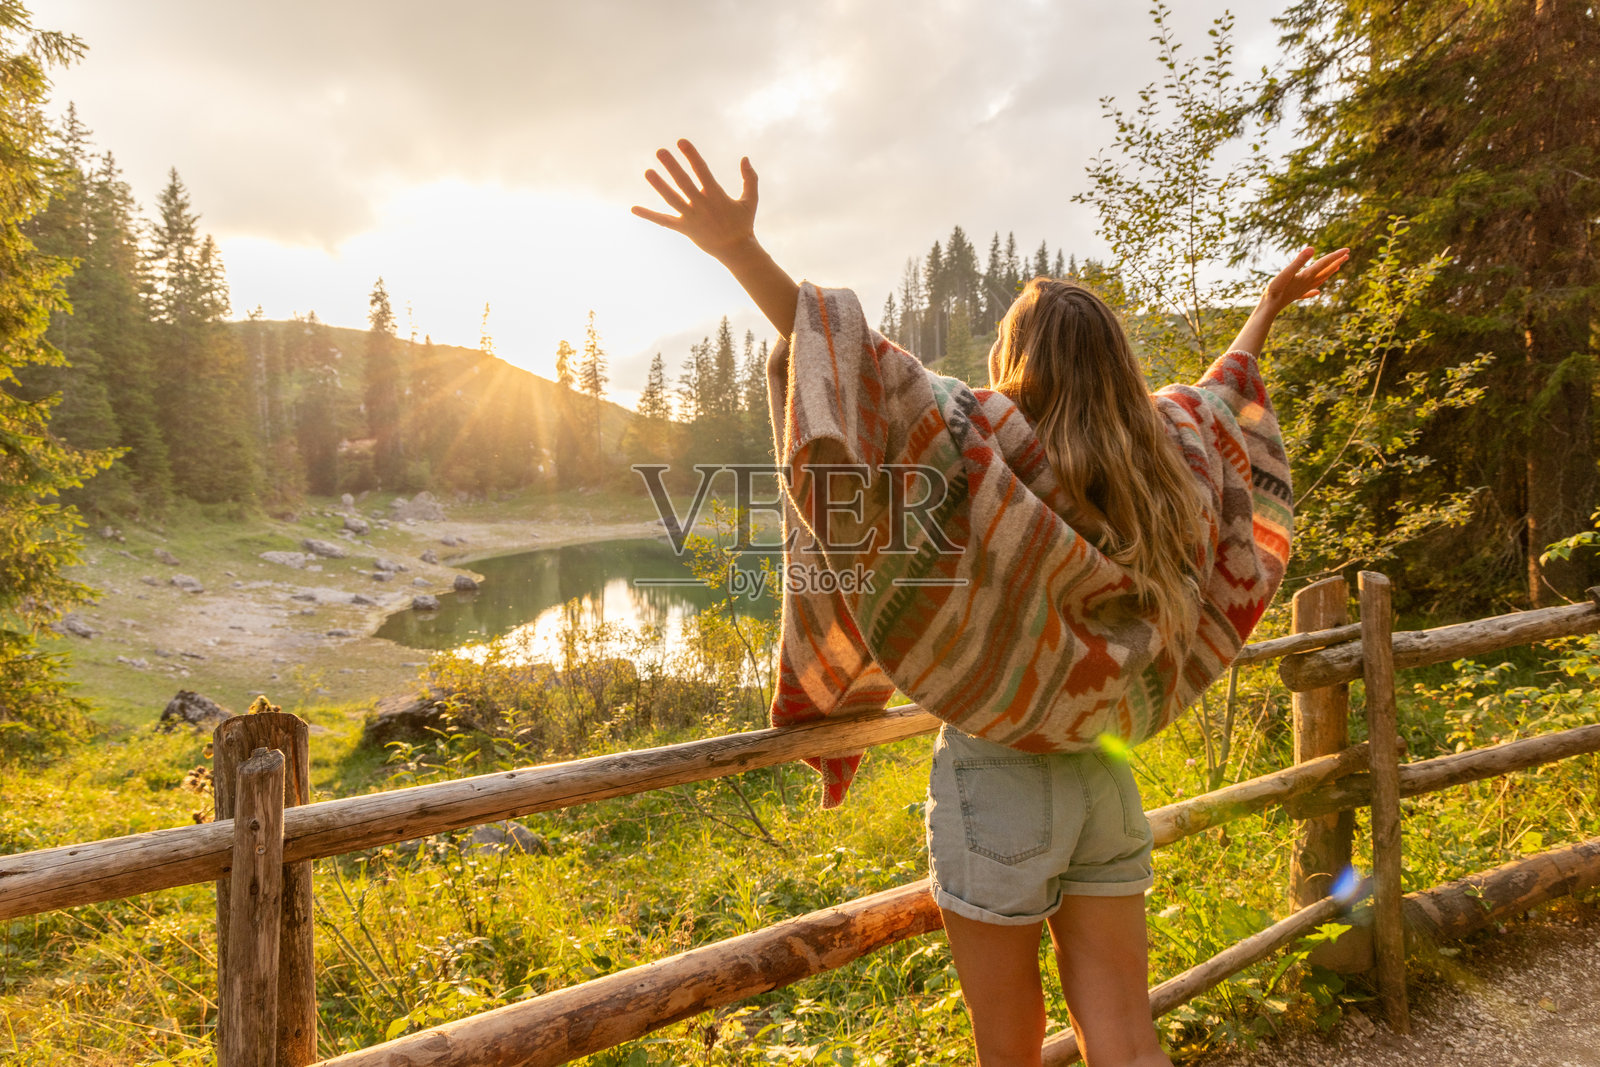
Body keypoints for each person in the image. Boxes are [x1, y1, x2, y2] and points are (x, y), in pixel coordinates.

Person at [634, 138, 1347, 1067]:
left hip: (997, 781)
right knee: (1127, 1038)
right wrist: (1266, 310)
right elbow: (1219, 403)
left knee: (1006, 1050)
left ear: (1018, 357)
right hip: (1103, 773)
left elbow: (870, 382)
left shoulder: (987, 446)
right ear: (1114, 366)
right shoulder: (1163, 460)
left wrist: (740, 253)